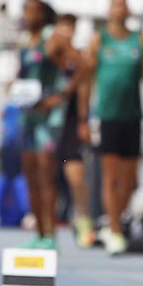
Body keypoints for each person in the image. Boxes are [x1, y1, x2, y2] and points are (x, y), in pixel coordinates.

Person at [88, 0, 143, 255]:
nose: (119, 8)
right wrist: (83, 116)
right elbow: (87, 79)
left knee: (129, 179)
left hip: (133, 115)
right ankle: (115, 229)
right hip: (108, 116)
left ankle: (115, 220)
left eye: (123, 4)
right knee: (110, 176)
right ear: (109, 10)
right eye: (115, 4)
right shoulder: (100, 40)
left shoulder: (138, 40)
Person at [10, 0, 73, 250]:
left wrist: (60, 95)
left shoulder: (53, 38)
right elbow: (23, 72)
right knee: (30, 174)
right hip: (28, 114)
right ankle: (38, 231)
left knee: (47, 174)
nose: (29, 16)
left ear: (43, 14)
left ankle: (51, 234)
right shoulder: (24, 41)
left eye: (34, 11)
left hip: (47, 118)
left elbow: (82, 66)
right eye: (26, 11)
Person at [51, 14, 95, 247]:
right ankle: (47, 226)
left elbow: (85, 91)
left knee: (75, 175)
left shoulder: (80, 59)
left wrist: (83, 120)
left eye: (70, 27)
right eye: (62, 27)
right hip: (48, 121)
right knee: (48, 175)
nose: (65, 32)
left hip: (69, 121)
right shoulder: (48, 54)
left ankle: (84, 218)